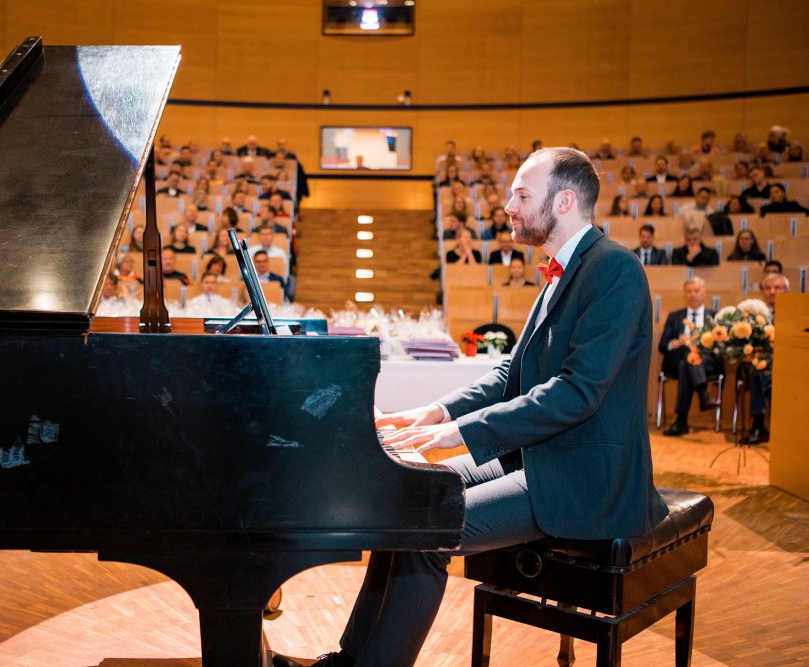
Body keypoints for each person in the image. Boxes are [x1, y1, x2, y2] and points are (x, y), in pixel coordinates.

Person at [273, 147, 669, 667]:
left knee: (428, 530)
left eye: (522, 195)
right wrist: (436, 414)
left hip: (585, 475)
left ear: (565, 200)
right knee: (406, 497)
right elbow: (513, 373)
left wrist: (460, 436)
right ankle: (349, 661)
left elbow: (576, 392)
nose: (507, 205)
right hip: (540, 459)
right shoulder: (564, 271)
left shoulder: (614, 270)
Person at [660, 278, 722, 436]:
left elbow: (721, 347)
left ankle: (681, 421)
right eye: (689, 291)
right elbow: (662, 345)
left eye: (696, 290)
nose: (693, 294)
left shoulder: (714, 317)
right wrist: (673, 343)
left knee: (685, 364)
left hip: (706, 361)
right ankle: (703, 394)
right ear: (684, 294)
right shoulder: (674, 316)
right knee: (687, 353)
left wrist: (701, 343)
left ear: (704, 293)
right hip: (677, 357)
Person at [741, 273, 790, 444]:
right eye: (768, 288)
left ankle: (760, 424)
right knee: (757, 370)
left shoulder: (795, 314)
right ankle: (758, 424)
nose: (772, 291)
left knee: (760, 372)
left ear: (787, 291)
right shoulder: (754, 315)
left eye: (777, 287)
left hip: (789, 369)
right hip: (763, 367)